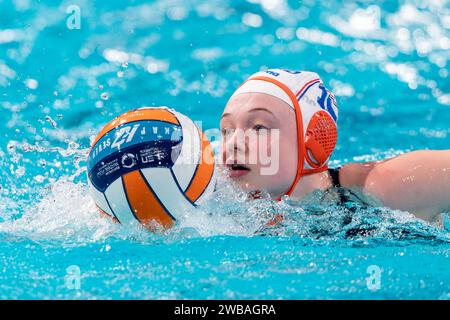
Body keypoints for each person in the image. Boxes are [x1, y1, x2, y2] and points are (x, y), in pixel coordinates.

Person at [219, 68, 450, 223]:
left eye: (259, 128)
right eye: (226, 130)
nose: (233, 143)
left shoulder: (379, 187)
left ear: (314, 139)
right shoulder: (212, 204)